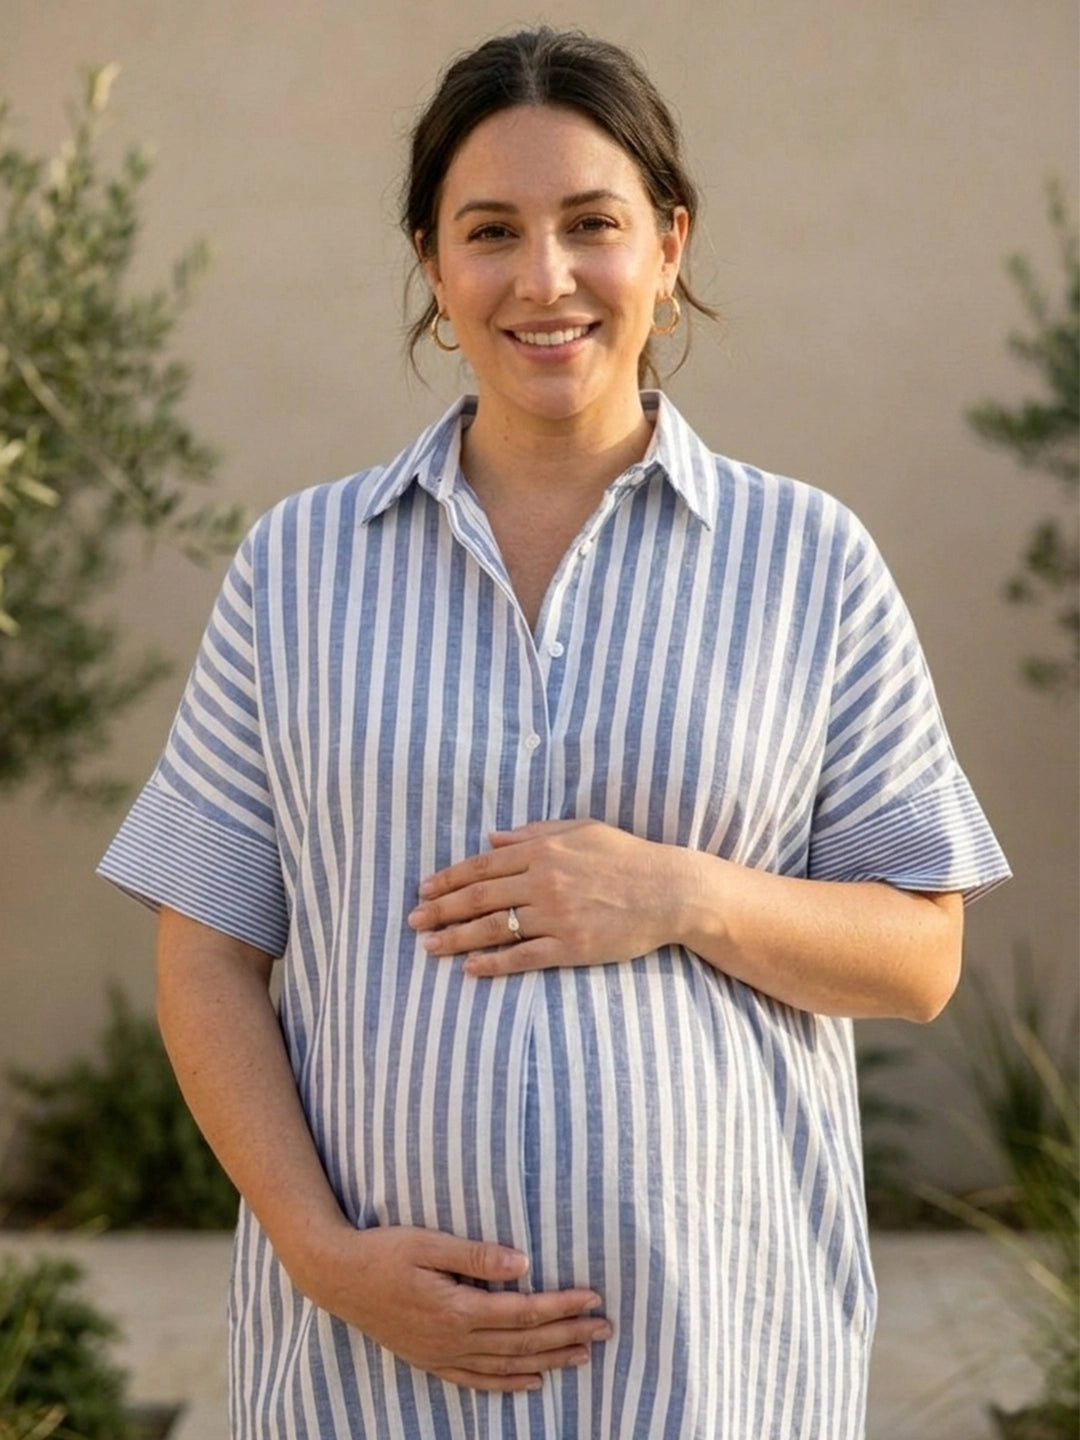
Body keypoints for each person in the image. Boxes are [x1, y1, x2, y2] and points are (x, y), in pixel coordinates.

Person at [98, 26, 1010, 1440]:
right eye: (490, 231)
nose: (545, 278)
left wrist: (682, 894)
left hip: (717, 1372)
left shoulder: (809, 563)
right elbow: (208, 944)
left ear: (667, 242)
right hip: (367, 1381)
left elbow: (923, 955)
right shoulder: (298, 569)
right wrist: (322, 1257)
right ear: (431, 262)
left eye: (593, 224)